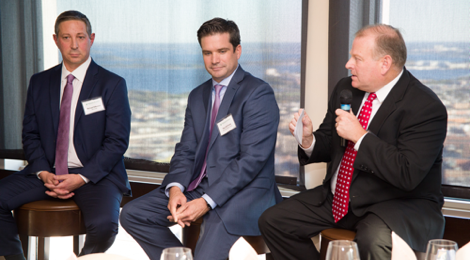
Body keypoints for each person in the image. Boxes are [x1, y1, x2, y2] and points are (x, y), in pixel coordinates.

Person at [259, 24, 447, 260]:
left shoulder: (425, 107)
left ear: (384, 63)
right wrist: (309, 140)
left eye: (357, 58)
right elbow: (330, 142)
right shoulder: (345, 88)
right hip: (341, 197)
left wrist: (360, 137)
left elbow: (407, 173)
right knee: (273, 221)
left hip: (397, 204)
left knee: (374, 239)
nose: (348, 64)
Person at [120, 17, 282, 260]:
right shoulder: (197, 96)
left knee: (207, 253)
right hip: (200, 186)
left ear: (237, 51)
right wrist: (175, 188)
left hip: (244, 192)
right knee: (133, 214)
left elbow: (252, 161)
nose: (214, 59)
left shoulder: (258, 93)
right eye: (207, 52)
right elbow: (186, 150)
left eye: (222, 51)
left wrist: (206, 201)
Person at [0, 10, 131, 259]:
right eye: (66, 37)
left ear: (91, 39)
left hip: (96, 175)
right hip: (47, 173)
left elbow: (116, 142)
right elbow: (31, 134)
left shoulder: (112, 84)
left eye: (80, 37)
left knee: (104, 226)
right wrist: (43, 172)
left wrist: (82, 177)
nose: (74, 45)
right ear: (55, 40)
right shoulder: (39, 82)